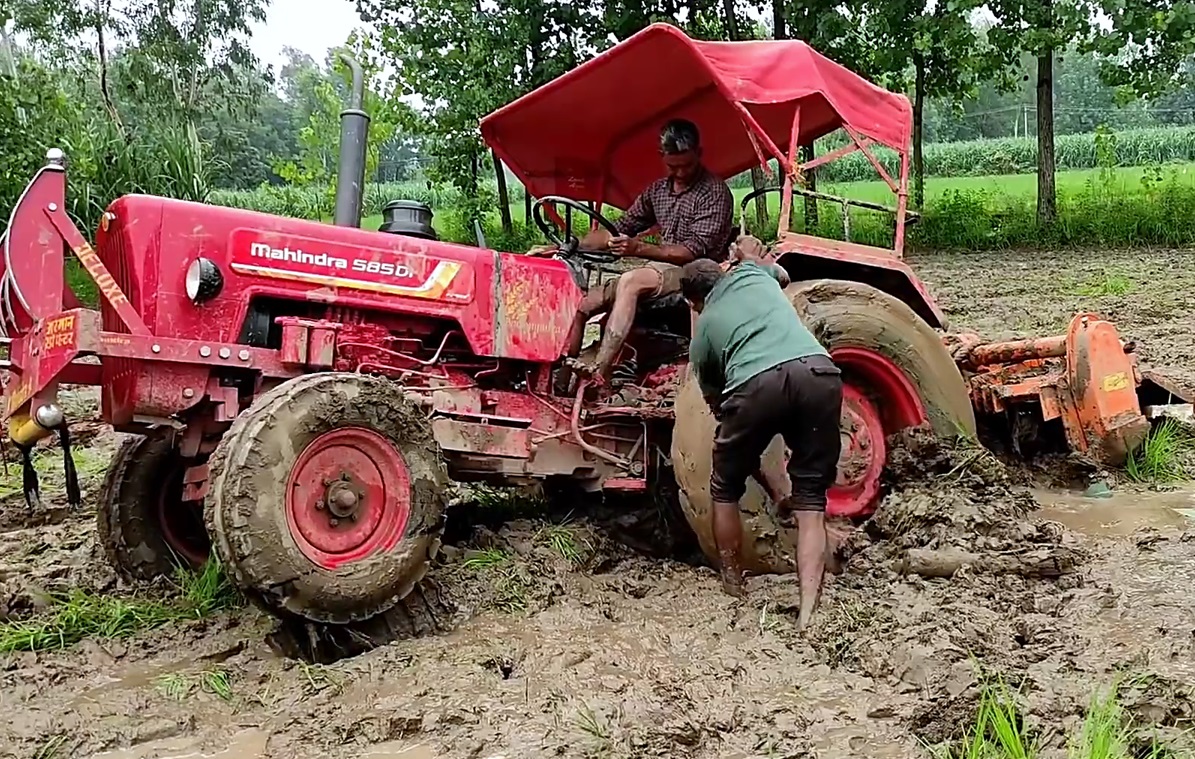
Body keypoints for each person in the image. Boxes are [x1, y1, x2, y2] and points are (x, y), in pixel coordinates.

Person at [681, 239, 843, 630]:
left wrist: (740, 440)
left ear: (693, 302)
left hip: (755, 387)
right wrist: (750, 259)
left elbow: (718, 406)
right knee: (811, 503)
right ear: (722, 273)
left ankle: (734, 584)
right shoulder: (753, 274)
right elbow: (783, 276)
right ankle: (807, 611)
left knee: (724, 487)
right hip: (819, 373)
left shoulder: (702, 333)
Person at [535, 118, 734, 391]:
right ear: (661, 157)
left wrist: (638, 248)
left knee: (631, 281)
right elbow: (619, 229)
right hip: (660, 267)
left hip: (699, 270)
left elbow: (692, 251)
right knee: (583, 305)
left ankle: (599, 371)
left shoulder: (714, 192)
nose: (680, 172)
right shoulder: (658, 192)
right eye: (672, 166)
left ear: (699, 154)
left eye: (686, 165)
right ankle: (560, 378)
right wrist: (571, 245)